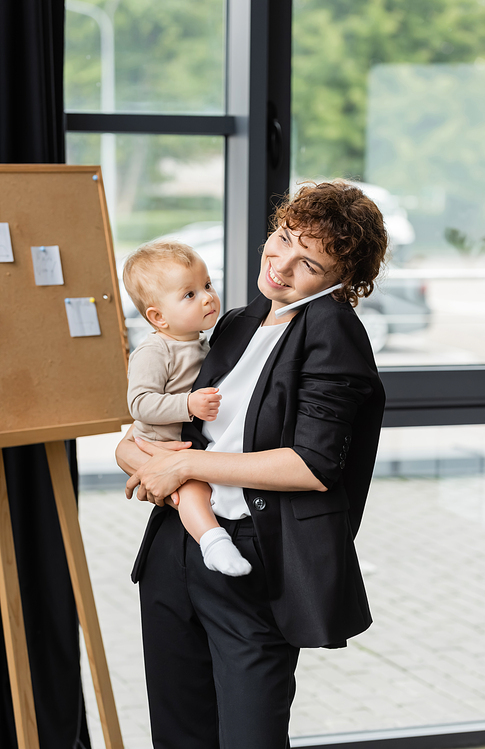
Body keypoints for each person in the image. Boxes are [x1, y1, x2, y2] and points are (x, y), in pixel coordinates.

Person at [116, 180, 388, 749]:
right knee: (177, 733)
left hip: (253, 556)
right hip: (177, 544)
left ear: (342, 278)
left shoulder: (333, 330)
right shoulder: (239, 321)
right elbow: (177, 427)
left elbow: (313, 465)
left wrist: (190, 470)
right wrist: (132, 454)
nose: (282, 264)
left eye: (308, 262)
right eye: (283, 237)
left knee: (250, 737)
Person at [122, 239, 252, 576]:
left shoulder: (201, 342)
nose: (208, 296)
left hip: (188, 442)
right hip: (160, 446)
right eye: (189, 294)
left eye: (207, 285)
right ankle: (214, 544)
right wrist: (188, 405)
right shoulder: (155, 351)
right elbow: (138, 404)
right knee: (193, 489)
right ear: (158, 317)